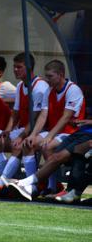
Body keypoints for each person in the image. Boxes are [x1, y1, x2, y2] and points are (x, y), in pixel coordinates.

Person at [0, 52, 49, 197]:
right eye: (14, 67)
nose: (15, 70)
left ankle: (26, 185)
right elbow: (15, 113)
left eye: (19, 67)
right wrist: (7, 130)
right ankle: (10, 183)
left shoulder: (40, 87)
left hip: (40, 129)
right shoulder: (20, 86)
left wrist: (20, 135)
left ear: (29, 67)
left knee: (21, 144)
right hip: (24, 128)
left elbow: (36, 118)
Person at [20, 59, 85, 197]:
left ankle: (53, 186)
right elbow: (43, 115)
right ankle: (32, 186)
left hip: (71, 134)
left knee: (47, 146)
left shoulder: (73, 90)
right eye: (46, 76)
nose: (47, 79)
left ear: (61, 74)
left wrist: (49, 137)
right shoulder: (49, 91)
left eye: (50, 76)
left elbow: (66, 118)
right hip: (56, 132)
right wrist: (33, 134)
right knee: (28, 144)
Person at [9, 119, 92, 202]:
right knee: (55, 156)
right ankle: (67, 191)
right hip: (81, 132)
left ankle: (26, 183)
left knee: (64, 154)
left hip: (88, 135)